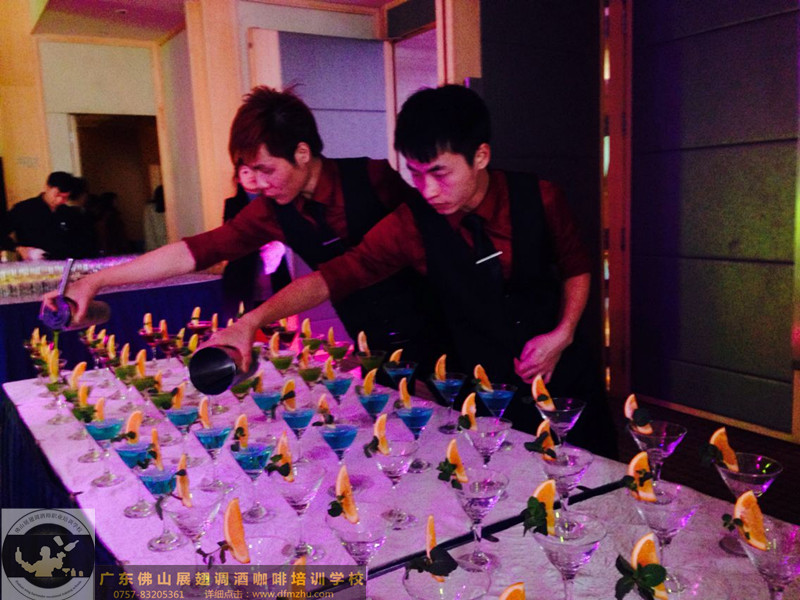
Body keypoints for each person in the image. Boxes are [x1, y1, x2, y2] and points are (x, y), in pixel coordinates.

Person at [205, 85, 617, 457]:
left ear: (480, 156)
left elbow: (576, 268)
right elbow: (335, 276)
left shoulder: (540, 198)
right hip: (487, 388)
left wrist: (563, 333)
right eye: (415, 174)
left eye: (439, 173)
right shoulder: (411, 224)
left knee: (595, 474)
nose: (428, 191)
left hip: (564, 374)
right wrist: (252, 321)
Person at [46, 86, 450, 377]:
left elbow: (437, 241)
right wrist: (96, 281)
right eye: (249, 171)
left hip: (443, 324)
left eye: (265, 169)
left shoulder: (373, 178)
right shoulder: (273, 210)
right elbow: (197, 250)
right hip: (371, 340)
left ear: (302, 153)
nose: (257, 183)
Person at [220, 163, 291, 321]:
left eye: (254, 170)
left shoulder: (275, 201)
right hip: (242, 273)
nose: (251, 176)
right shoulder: (232, 204)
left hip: (274, 273)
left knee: (279, 321)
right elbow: (232, 235)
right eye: (245, 172)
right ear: (238, 179)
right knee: (242, 319)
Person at [3, 171, 96, 260]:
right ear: (47, 187)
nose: (60, 200)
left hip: (64, 264)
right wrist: (18, 248)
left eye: (65, 197)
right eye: (57, 195)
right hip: (33, 265)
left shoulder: (69, 213)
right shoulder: (23, 209)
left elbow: (83, 242)